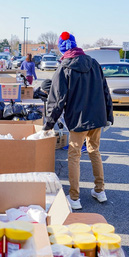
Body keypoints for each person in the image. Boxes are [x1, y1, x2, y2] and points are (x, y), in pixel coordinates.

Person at [43, 31, 114, 210]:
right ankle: (100, 190)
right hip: (97, 118)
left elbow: (57, 99)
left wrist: (49, 124)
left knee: (74, 156)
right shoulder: (94, 64)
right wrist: (109, 116)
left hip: (78, 120)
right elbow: (106, 91)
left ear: (62, 49)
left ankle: (74, 198)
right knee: (94, 151)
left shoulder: (65, 68)